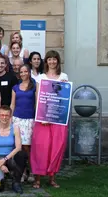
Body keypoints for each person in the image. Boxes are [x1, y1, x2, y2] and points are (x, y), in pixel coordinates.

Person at [31, 50, 69, 189]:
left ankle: (52, 177)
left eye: (54, 59)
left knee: (56, 148)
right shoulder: (41, 77)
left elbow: (65, 97)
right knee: (41, 148)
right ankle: (37, 179)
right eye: (49, 59)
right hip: (43, 118)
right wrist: (41, 116)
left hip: (59, 119)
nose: (52, 62)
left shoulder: (63, 76)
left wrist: (65, 86)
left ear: (58, 61)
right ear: (45, 61)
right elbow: (38, 98)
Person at [0, 105, 27, 194]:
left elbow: (18, 147)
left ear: (10, 116)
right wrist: (0, 163)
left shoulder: (15, 128)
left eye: (7, 115)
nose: (4, 117)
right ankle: (3, 176)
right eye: (2, 115)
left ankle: (16, 182)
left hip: (11, 157)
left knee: (22, 154)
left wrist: (5, 159)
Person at [10, 64, 36, 183]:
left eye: (25, 71)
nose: (23, 74)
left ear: (29, 73)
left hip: (29, 119)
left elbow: (36, 104)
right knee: (18, 147)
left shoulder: (34, 87)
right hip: (17, 119)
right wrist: (10, 118)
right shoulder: (15, 87)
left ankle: (31, 171)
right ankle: (22, 171)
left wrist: (37, 118)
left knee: (27, 148)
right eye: (21, 72)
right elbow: (13, 104)